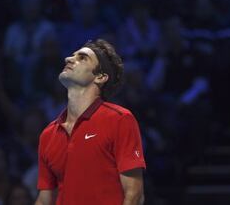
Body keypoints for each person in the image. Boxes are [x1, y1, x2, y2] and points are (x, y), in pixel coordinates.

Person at [35, 39, 146, 204]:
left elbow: (134, 195)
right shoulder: (48, 134)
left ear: (100, 77)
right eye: (72, 55)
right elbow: (45, 200)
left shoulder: (120, 120)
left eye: (82, 57)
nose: (69, 59)